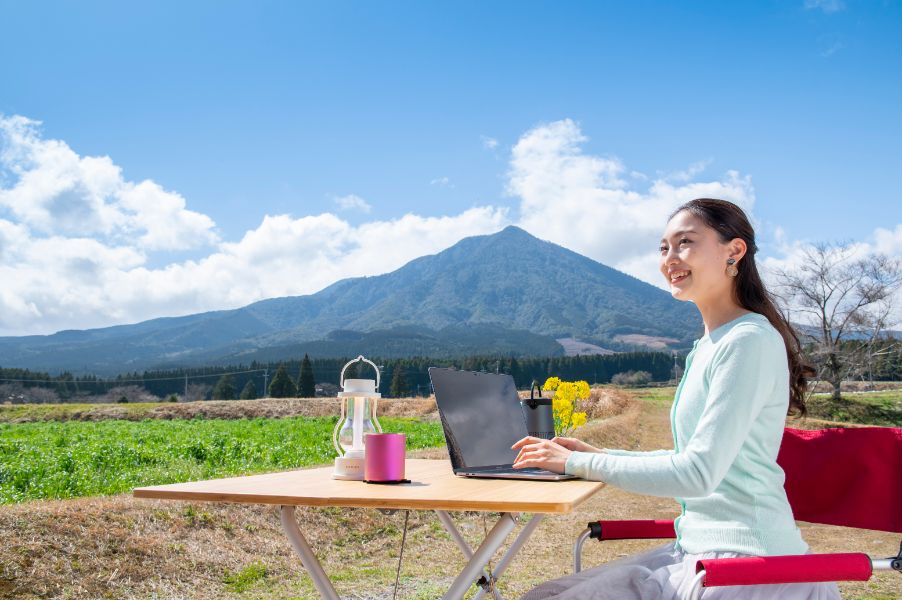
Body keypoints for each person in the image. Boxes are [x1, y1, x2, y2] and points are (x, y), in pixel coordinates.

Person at [512, 199, 840, 599]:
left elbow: (697, 474)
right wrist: (594, 453)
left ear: (734, 252)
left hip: (747, 562)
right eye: (663, 247)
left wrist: (579, 462)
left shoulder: (748, 340)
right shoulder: (709, 344)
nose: (670, 258)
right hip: (697, 548)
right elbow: (688, 457)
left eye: (685, 243)